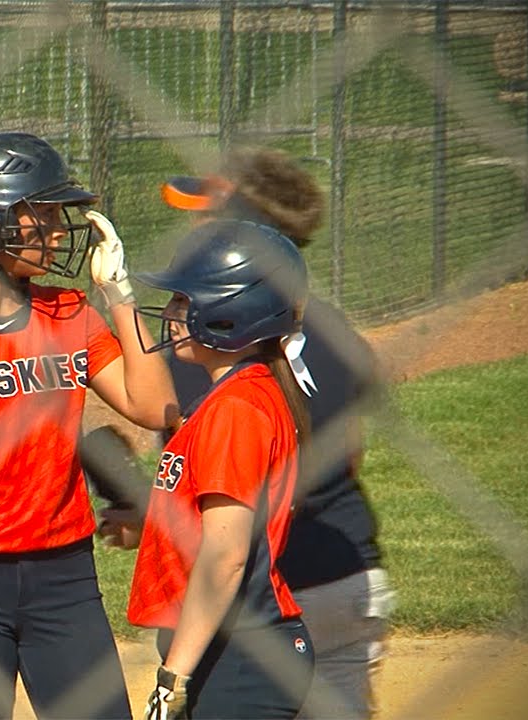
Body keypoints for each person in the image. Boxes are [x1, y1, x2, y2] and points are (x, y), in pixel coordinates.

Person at [0, 131, 178, 719]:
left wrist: (118, 296)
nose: (58, 233)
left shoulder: (67, 312)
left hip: (63, 575)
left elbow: (155, 407)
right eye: (39, 218)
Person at [159, 149, 393, 720]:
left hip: (263, 598)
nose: (194, 227)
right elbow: (349, 454)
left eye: (206, 215)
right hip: (350, 577)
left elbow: (205, 480)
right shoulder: (330, 327)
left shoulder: (209, 347)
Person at [129, 219, 315, 720]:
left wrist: (173, 678)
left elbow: (226, 555)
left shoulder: (236, 408)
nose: (170, 314)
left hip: (240, 653)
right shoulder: (246, 392)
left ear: (232, 311)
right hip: (234, 647)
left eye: (183, 301)